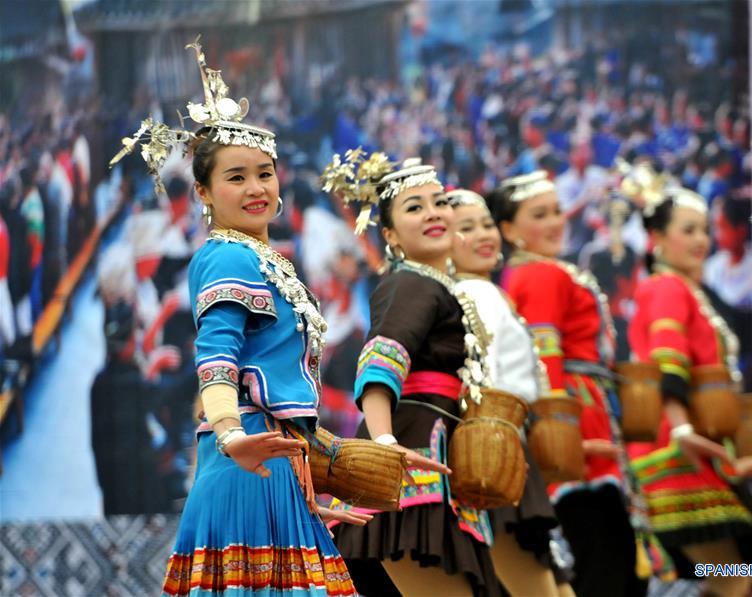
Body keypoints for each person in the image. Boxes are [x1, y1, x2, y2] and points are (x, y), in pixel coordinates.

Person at [111, 39, 369, 596]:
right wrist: (232, 434)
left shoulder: (268, 261)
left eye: (264, 173)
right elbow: (218, 358)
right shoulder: (229, 255)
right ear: (202, 190)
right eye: (235, 177)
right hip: (248, 459)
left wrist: (311, 482)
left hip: (275, 467)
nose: (256, 188)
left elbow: (276, 384)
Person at [323, 154, 501, 596]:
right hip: (413, 455)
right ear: (389, 235)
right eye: (414, 207)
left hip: (435, 458)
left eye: (438, 202)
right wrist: (385, 444)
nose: (432, 213)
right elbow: (382, 360)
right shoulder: (410, 283)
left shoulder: (438, 285)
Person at [490, 170, 662, 597]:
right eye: (539, 214)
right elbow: (544, 355)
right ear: (509, 229)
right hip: (575, 429)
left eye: (556, 211)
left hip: (580, 421)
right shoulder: (542, 275)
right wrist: (563, 437)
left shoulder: (531, 273)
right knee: (605, 561)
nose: (555, 222)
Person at [625, 172, 752, 597]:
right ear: (657, 237)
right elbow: (666, 362)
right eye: (688, 230)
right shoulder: (668, 288)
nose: (701, 240)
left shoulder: (687, 290)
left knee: (750, 579)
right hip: (677, 452)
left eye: (705, 230)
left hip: (694, 447)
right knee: (733, 580)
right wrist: (681, 428)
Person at [448, 188, 569, 597]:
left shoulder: (487, 290)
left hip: (503, 443)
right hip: (499, 446)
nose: (483, 235)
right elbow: (488, 377)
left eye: (486, 224)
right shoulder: (476, 293)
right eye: (466, 228)